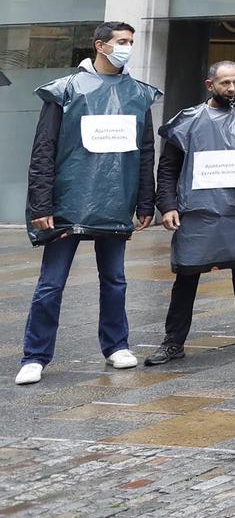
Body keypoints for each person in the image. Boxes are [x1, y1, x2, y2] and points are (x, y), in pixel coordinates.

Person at [18, 21, 160, 386]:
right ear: (100, 45)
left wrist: (146, 201)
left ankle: (116, 346)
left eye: (131, 41)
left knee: (115, 279)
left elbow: (145, 151)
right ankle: (35, 356)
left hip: (114, 201)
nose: (128, 47)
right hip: (67, 203)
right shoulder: (66, 90)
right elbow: (44, 150)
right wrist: (40, 205)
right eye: (121, 42)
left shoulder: (138, 94)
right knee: (51, 283)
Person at [146, 61, 235, 364]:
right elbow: (168, 169)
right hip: (197, 214)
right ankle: (173, 342)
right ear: (210, 85)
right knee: (187, 276)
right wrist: (166, 206)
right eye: (225, 83)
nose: (231, 89)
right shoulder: (188, 122)